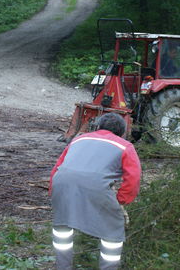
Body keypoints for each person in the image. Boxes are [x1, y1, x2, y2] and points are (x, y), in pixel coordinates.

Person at [49, 113, 141, 270]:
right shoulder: (125, 146)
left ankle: (62, 266)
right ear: (121, 132)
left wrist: (53, 190)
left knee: (63, 228)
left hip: (61, 183)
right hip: (95, 185)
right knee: (113, 230)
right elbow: (133, 177)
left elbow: (58, 166)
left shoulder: (79, 139)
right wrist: (121, 200)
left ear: (98, 126)